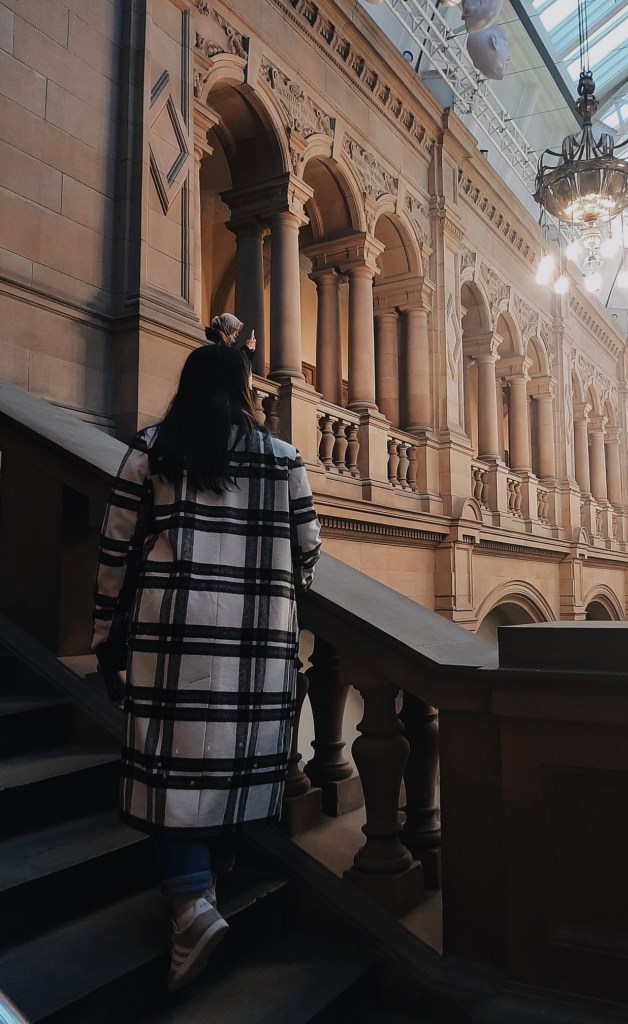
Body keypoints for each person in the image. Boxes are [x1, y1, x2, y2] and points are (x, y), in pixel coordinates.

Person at [91, 344, 321, 992]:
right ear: (246, 394)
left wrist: (106, 634)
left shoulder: (157, 446)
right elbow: (308, 549)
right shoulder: (283, 460)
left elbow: (114, 547)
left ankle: (191, 905)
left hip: (175, 634)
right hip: (256, 638)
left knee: (173, 765)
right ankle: (198, 900)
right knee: (227, 765)